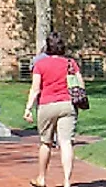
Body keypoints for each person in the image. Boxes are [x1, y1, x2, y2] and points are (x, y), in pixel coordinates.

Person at [24, 32, 83, 187]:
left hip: (47, 105)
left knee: (45, 143)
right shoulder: (70, 63)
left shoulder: (40, 65)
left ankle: (42, 178)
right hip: (68, 104)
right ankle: (67, 181)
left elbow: (35, 89)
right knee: (66, 143)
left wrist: (28, 108)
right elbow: (80, 83)